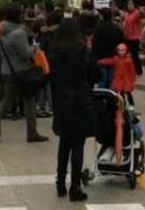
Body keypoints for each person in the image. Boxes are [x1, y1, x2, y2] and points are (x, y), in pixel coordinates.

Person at [0, 6, 48, 144]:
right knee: (29, 101)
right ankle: (32, 132)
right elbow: (25, 54)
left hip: (6, 71)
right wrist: (34, 48)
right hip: (21, 71)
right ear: (17, 17)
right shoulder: (19, 33)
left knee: (5, 102)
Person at [48, 18, 98, 202]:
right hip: (81, 100)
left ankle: (60, 182)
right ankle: (75, 187)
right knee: (78, 144)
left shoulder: (54, 52)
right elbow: (95, 74)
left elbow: (51, 76)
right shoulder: (83, 51)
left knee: (64, 142)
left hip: (61, 100)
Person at [92, 8, 124, 89]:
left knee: (102, 80)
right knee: (111, 80)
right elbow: (121, 43)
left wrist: (93, 57)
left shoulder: (98, 28)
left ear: (102, 16)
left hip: (101, 59)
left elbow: (95, 44)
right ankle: (111, 98)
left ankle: (102, 98)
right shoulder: (116, 28)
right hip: (113, 58)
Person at [122, 0, 145, 76]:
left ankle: (138, 70)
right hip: (127, 37)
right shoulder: (127, 14)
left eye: (131, 4)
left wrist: (141, 11)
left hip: (135, 37)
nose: (129, 5)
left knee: (134, 55)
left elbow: (142, 15)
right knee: (128, 54)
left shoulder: (136, 12)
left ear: (134, 5)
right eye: (128, 4)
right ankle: (131, 70)